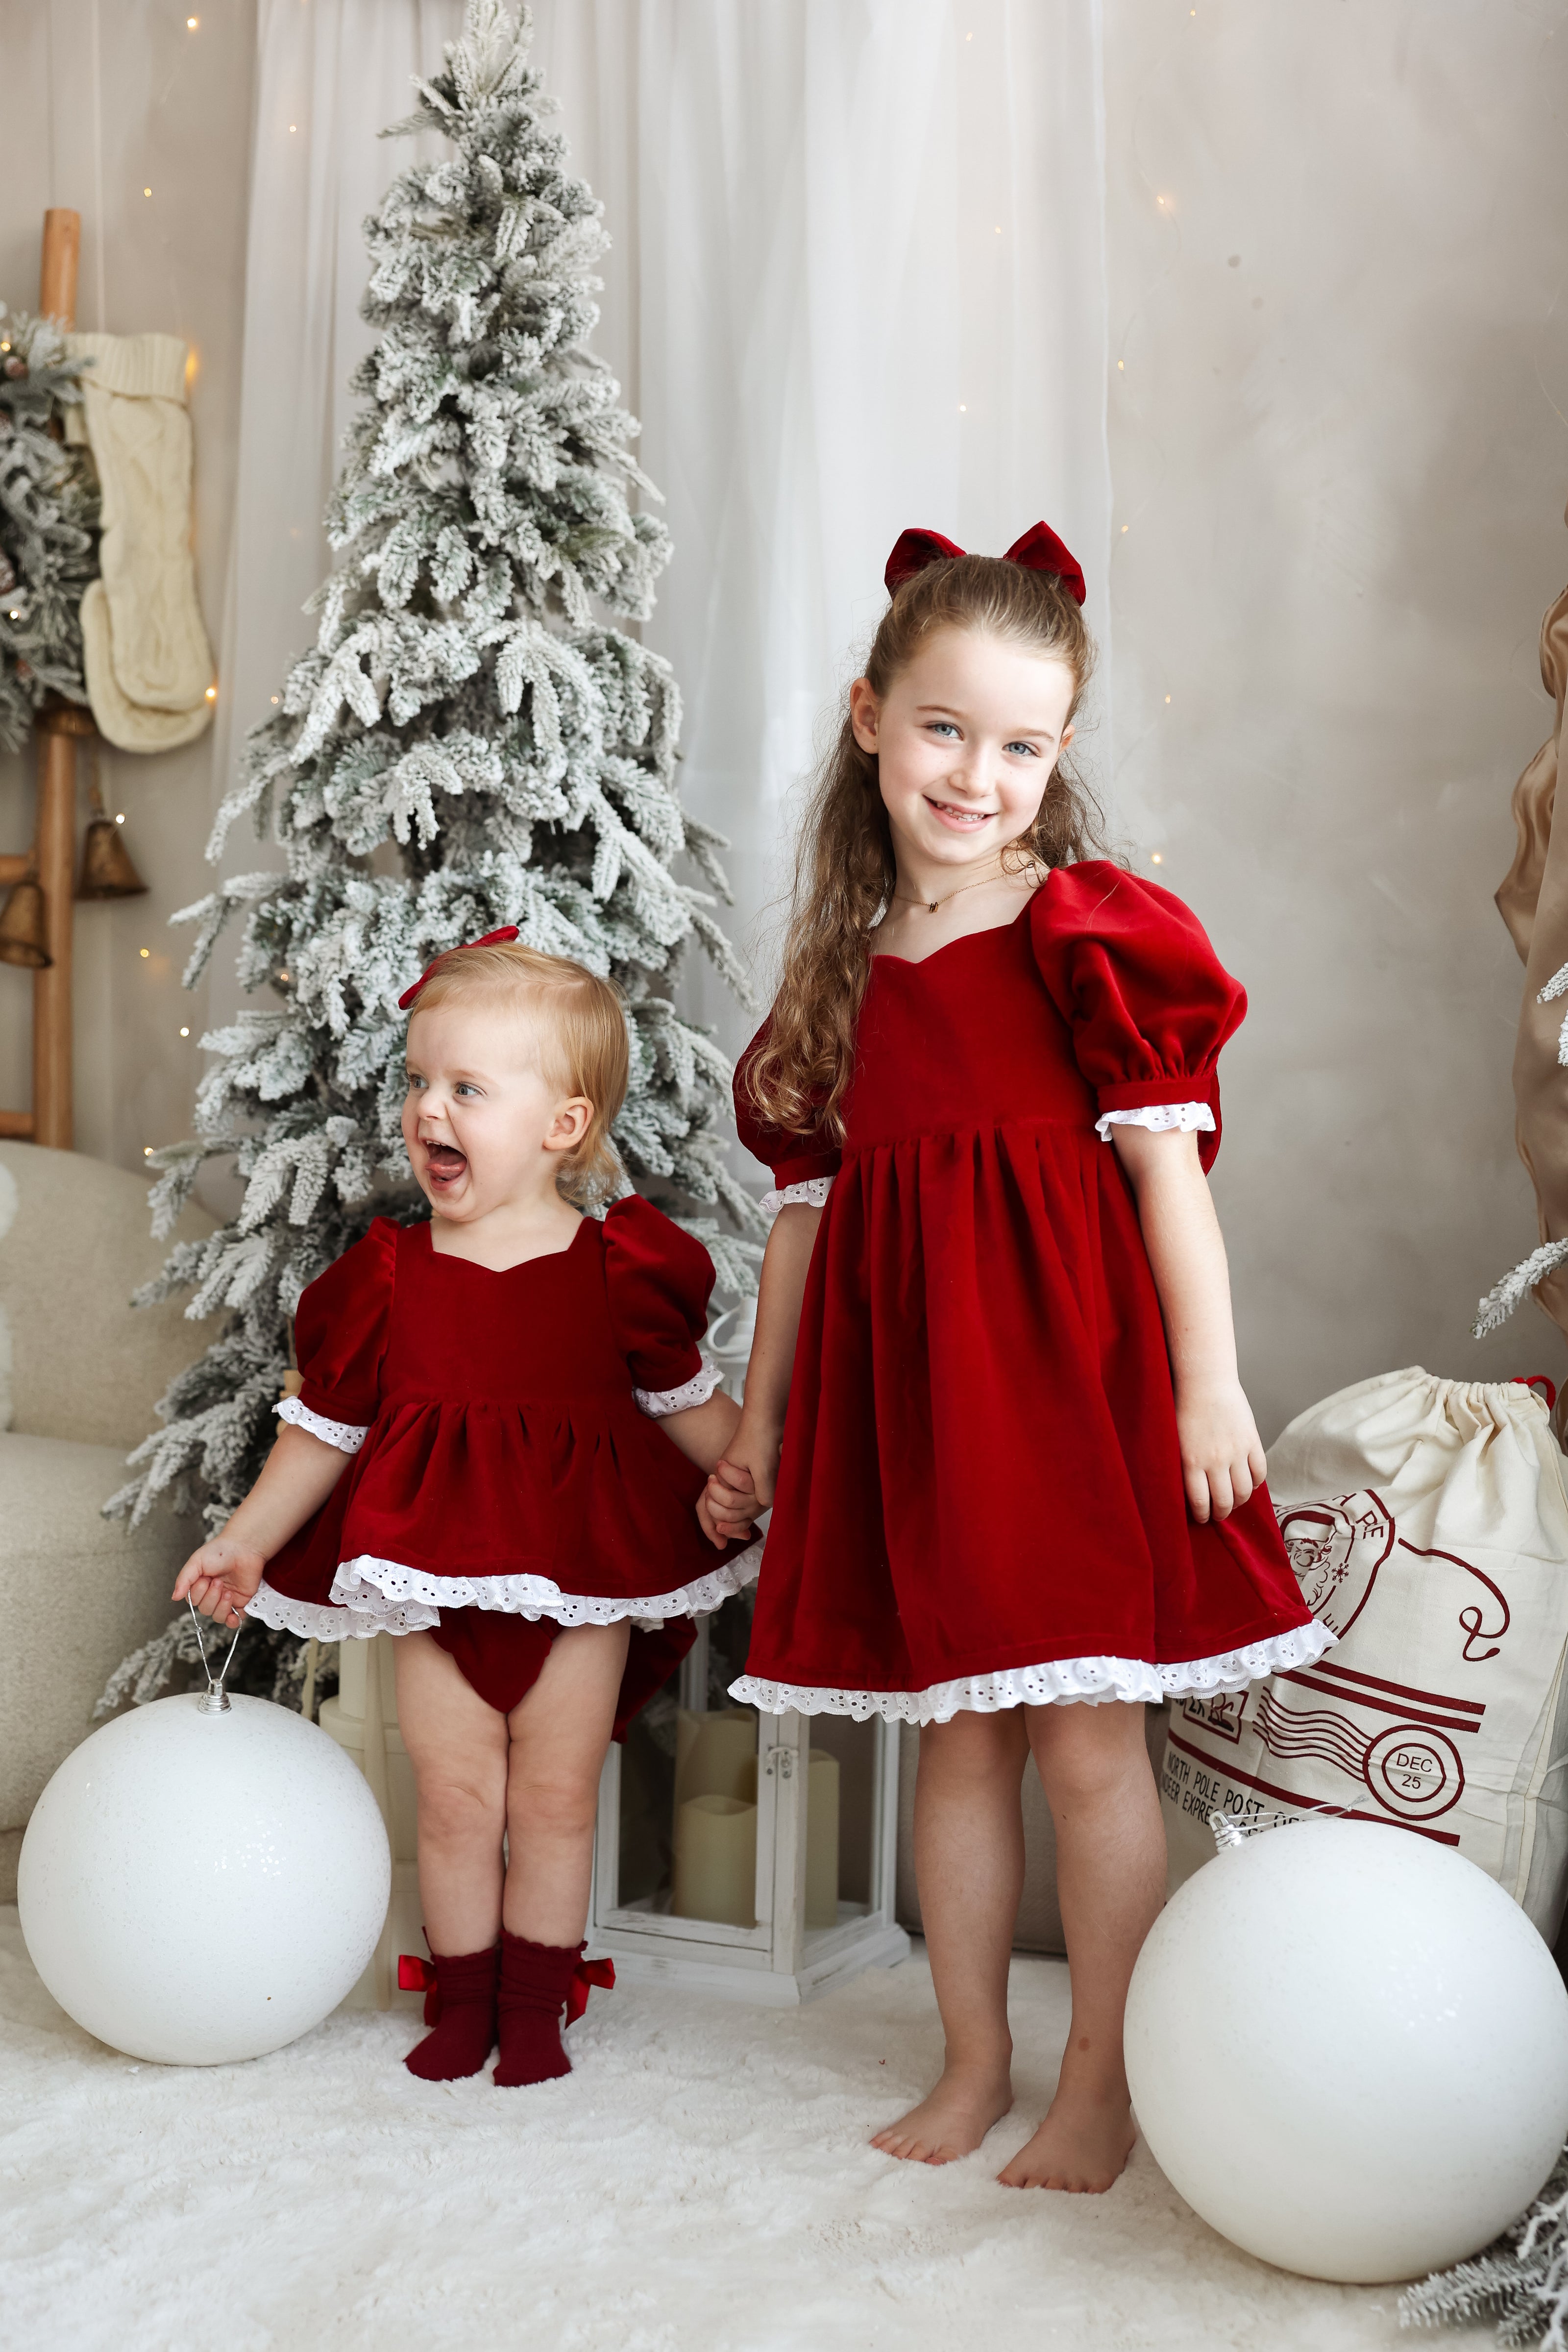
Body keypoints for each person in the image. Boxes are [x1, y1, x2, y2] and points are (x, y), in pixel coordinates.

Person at [701, 526, 1332, 2192]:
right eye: (944, 729)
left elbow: (1167, 1177)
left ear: (1056, 762)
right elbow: (803, 1231)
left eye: (1021, 746)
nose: (977, 776)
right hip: (921, 1408)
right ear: (869, 718)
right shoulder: (841, 979)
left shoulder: (1083, 929)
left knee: (1084, 1741)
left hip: (1066, 1389)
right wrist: (760, 1426)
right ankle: (975, 2059)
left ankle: (1100, 2086)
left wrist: (1209, 1382)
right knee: (957, 1739)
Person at [175, 933, 756, 2087]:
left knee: (554, 1799)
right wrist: (244, 1541)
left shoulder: (618, 1271)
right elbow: (323, 1432)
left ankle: (535, 2007)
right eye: (419, 1081)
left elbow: (693, 1410)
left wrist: (759, 1476)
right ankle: (463, 1997)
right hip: (431, 1581)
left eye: (467, 1089)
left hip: (579, 1575)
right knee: (450, 1801)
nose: (428, 1109)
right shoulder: (389, 1278)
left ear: (562, 1125)